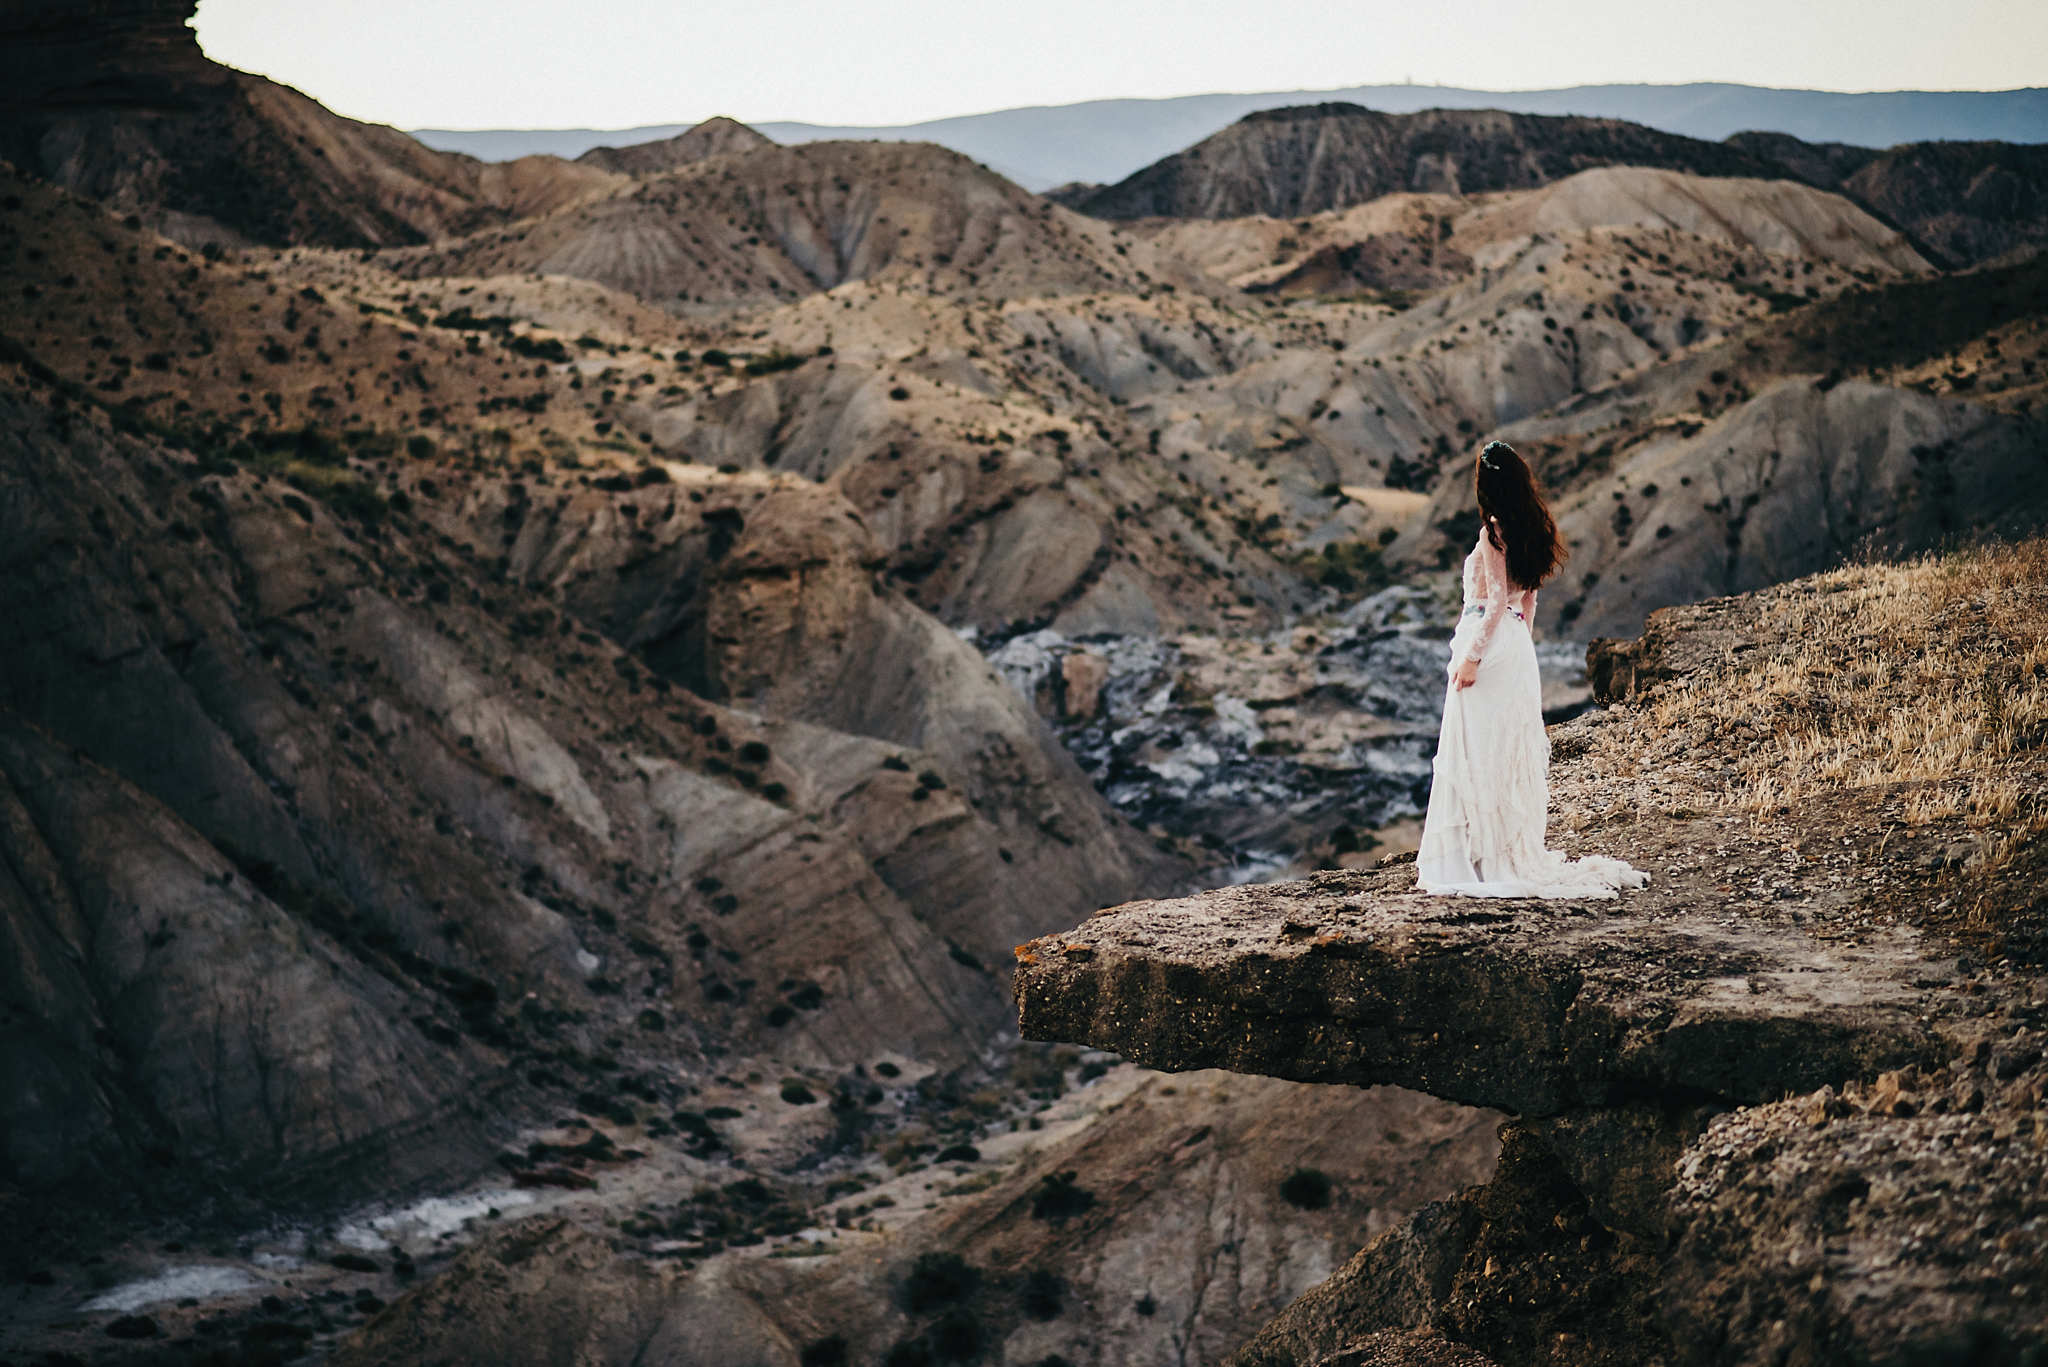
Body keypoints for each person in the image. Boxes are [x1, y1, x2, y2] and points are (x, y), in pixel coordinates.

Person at [1416, 440, 1648, 898]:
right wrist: (1519, 644)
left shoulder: (1493, 532)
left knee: (1475, 750)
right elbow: (1528, 600)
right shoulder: (1530, 528)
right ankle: (1496, 851)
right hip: (1517, 645)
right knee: (1501, 750)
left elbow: (1497, 603)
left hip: (1490, 640)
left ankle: (1475, 858)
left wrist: (1473, 657)